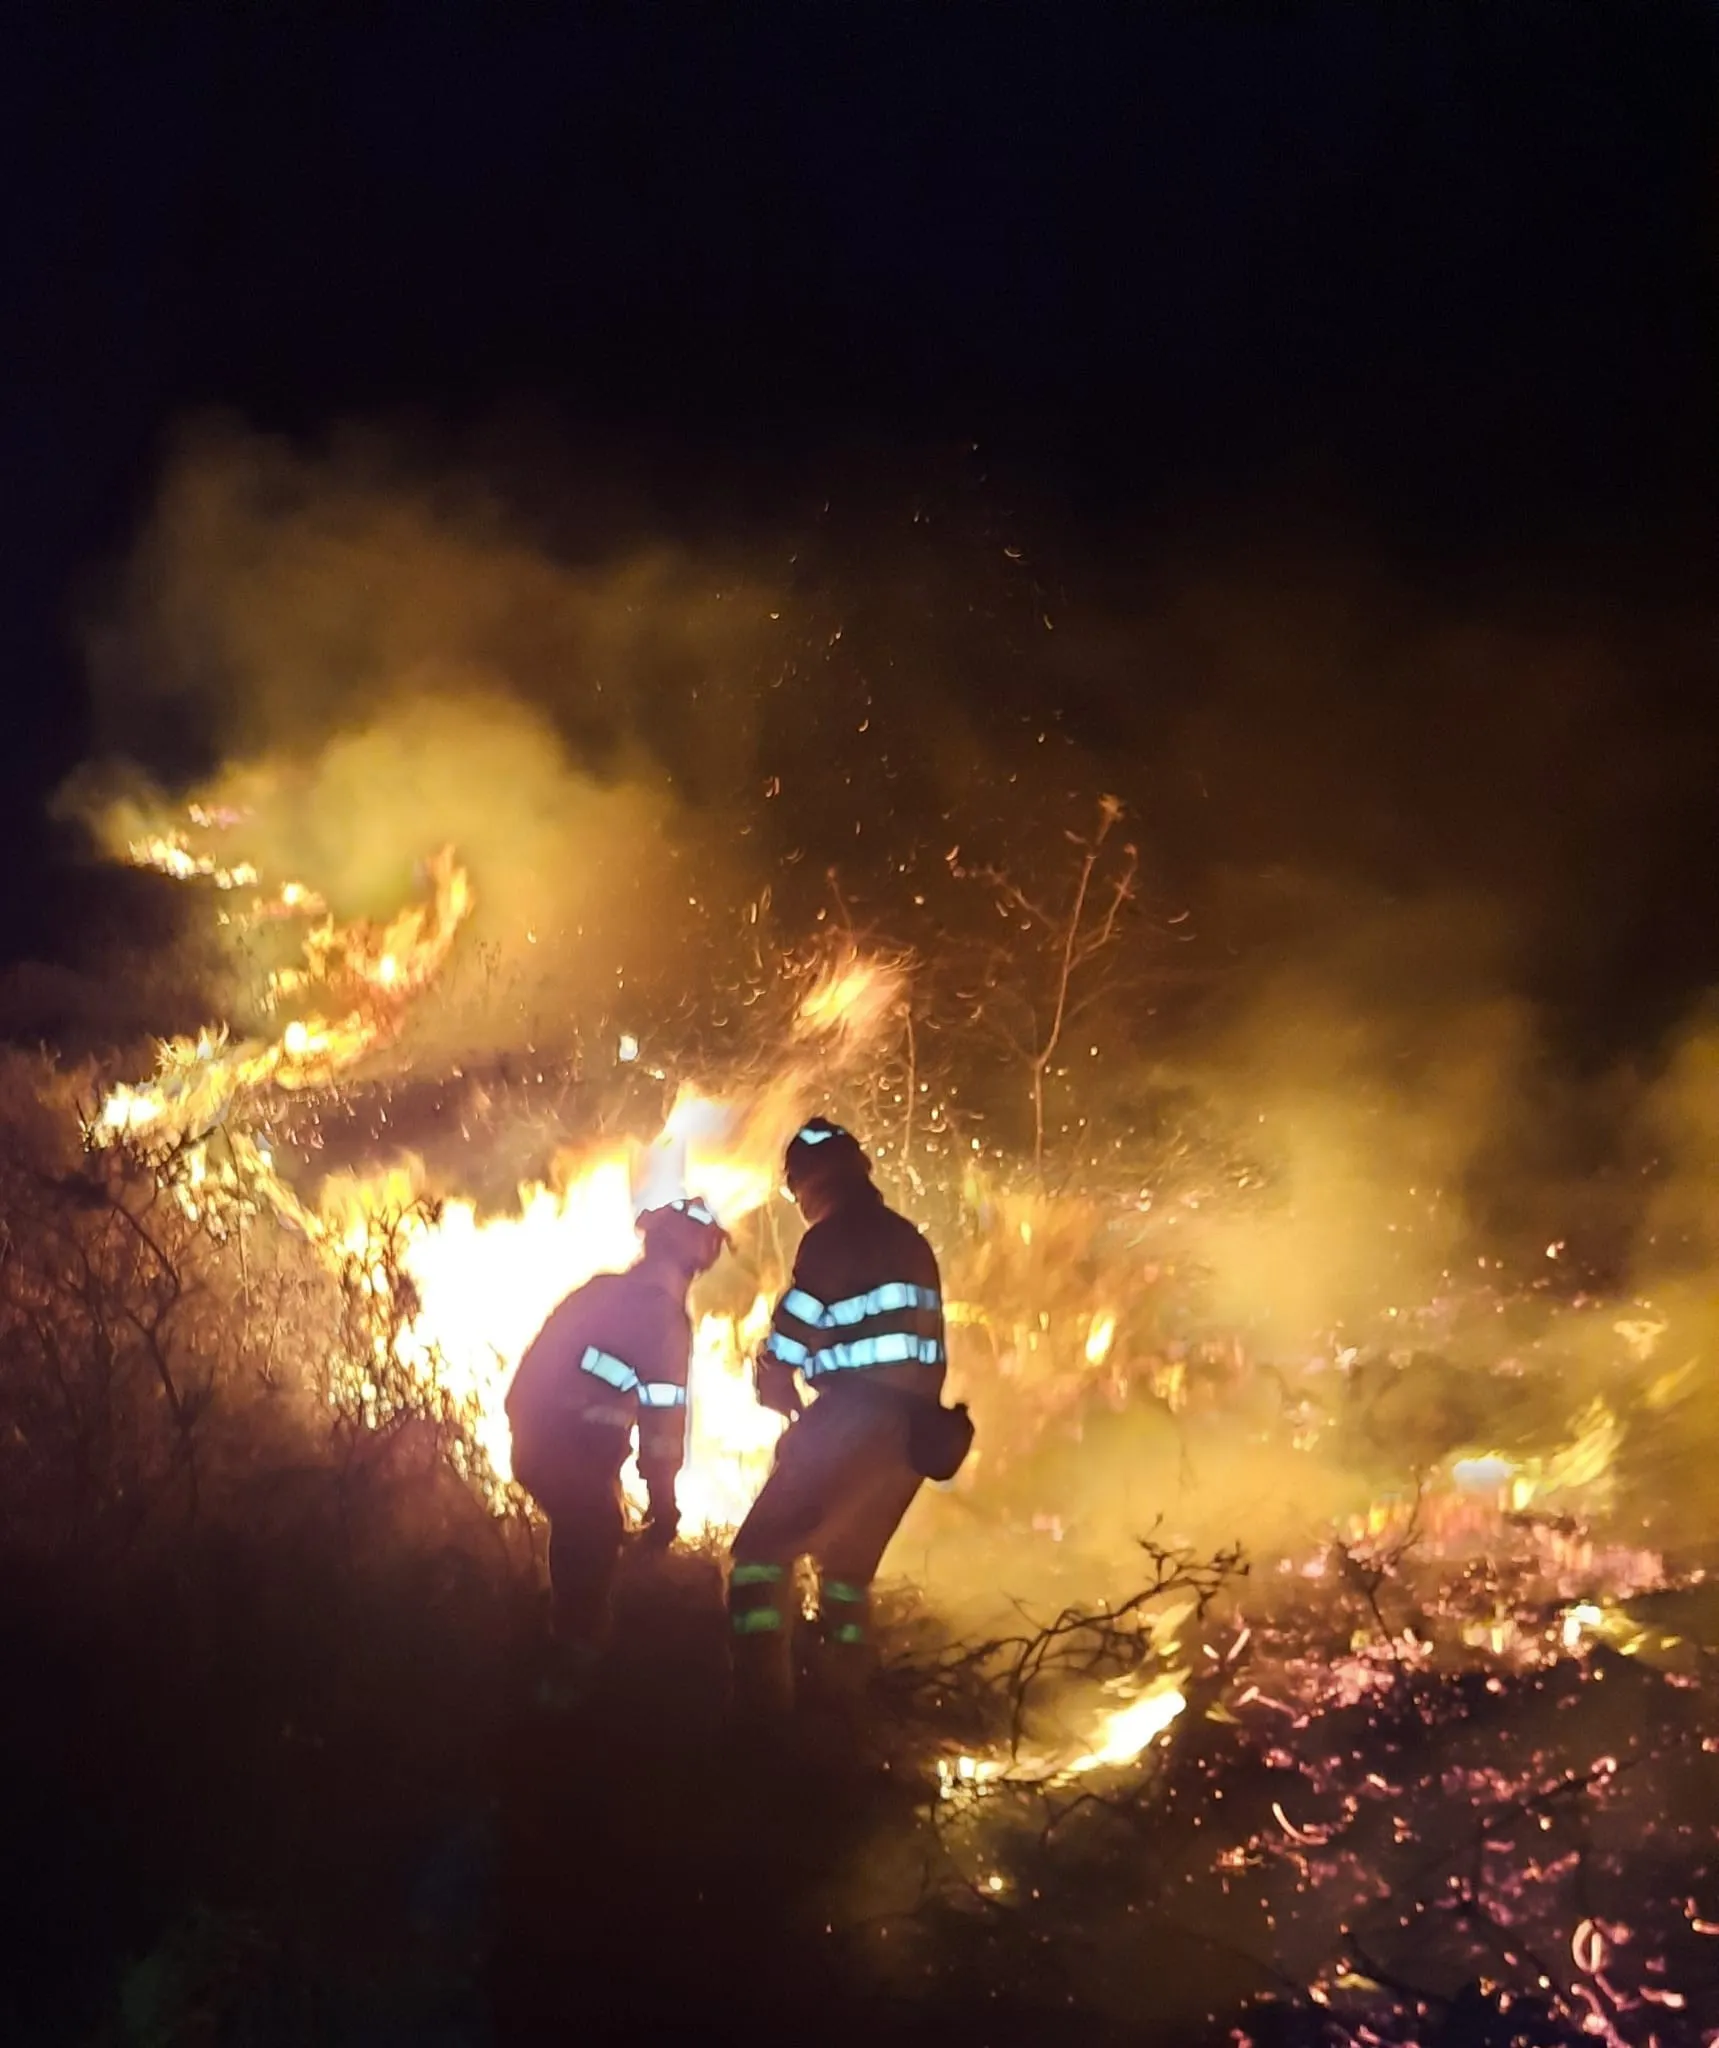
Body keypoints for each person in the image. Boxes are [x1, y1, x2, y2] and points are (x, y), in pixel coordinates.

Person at [728, 1117, 970, 1718]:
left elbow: (795, 1325)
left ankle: (763, 1718)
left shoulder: (835, 1235)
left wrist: (772, 1372)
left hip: (854, 1422)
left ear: (810, 1183)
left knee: (759, 1555)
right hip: (912, 1438)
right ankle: (847, 1717)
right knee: (845, 1577)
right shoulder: (908, 1238)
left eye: (799, 1191)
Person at [506, 1196, 729, 1687]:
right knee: (595, 1537)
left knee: (587, 1531)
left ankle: (554, 1637)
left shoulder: (599, 1290)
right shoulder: (664, 1318)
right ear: (695, 1259)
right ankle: (566, 1691)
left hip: (536, 1440)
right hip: (571, 1452)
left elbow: (530, 1374)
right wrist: (664, 1504)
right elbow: (663, 1423)